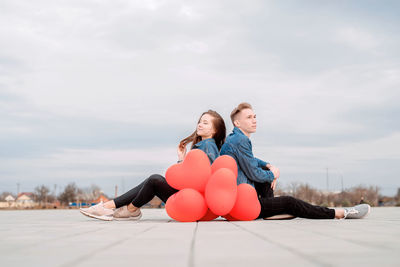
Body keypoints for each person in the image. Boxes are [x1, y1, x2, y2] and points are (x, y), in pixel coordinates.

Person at [220, 102, 370, 220]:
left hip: (240, 201)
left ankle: (270, 212)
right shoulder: (240, 140)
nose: (254, 120)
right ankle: (339, 213)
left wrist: (268, 165)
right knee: (290, 202)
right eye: (249, 118)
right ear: (237, 123)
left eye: (254, 116)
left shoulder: (235, 139)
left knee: (266, 171)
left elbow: (251, 160)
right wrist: (273, 174)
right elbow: (254, 174)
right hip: (243, 205)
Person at [80, 110, 226, 221]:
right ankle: (123, 209)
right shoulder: (204, 145)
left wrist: (182, 162)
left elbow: (205, 179)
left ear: (214, 130)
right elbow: (191, 175)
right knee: (153, 181)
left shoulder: (208, 146)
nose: (200, 124)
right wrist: (181, 159)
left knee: (154, 180)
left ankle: (114, 208)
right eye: (200, 121)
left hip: (194, 203)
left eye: (205, 123)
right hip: (189, 199)